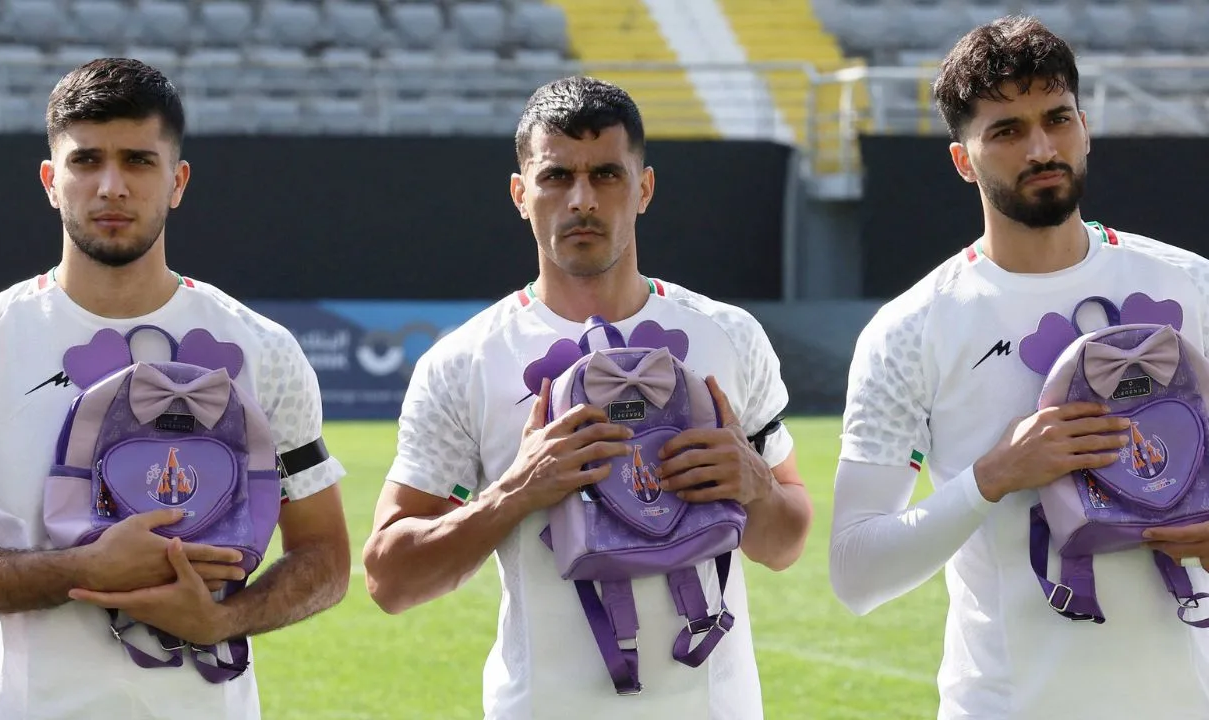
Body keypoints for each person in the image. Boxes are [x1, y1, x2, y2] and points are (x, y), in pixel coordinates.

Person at [362, 76, 813, 718]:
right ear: (521, 194)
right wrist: (513, 494)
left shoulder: (730, 336)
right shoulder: (464, 362)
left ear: (644, 189)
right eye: (555, 177)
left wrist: (757, 487)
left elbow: (786, 543)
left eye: (606, 175)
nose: (582, 200)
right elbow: (389, 580)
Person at [0, 58, 350, 720]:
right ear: (50, 181)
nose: (111, 186)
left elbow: (326, 558)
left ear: (177, 181)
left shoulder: (264, 350)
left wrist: (222, 620)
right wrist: (84, 570)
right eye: (86, 161)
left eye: (138, 161)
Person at [830, 15, 1209, 719]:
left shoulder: (1193, 286)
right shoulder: (910, 331)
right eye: (1006, 130)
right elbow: (856, 571)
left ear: (1084, 128)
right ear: (963, 160)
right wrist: (992, 477)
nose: (1041, 148)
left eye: (1057, 119)